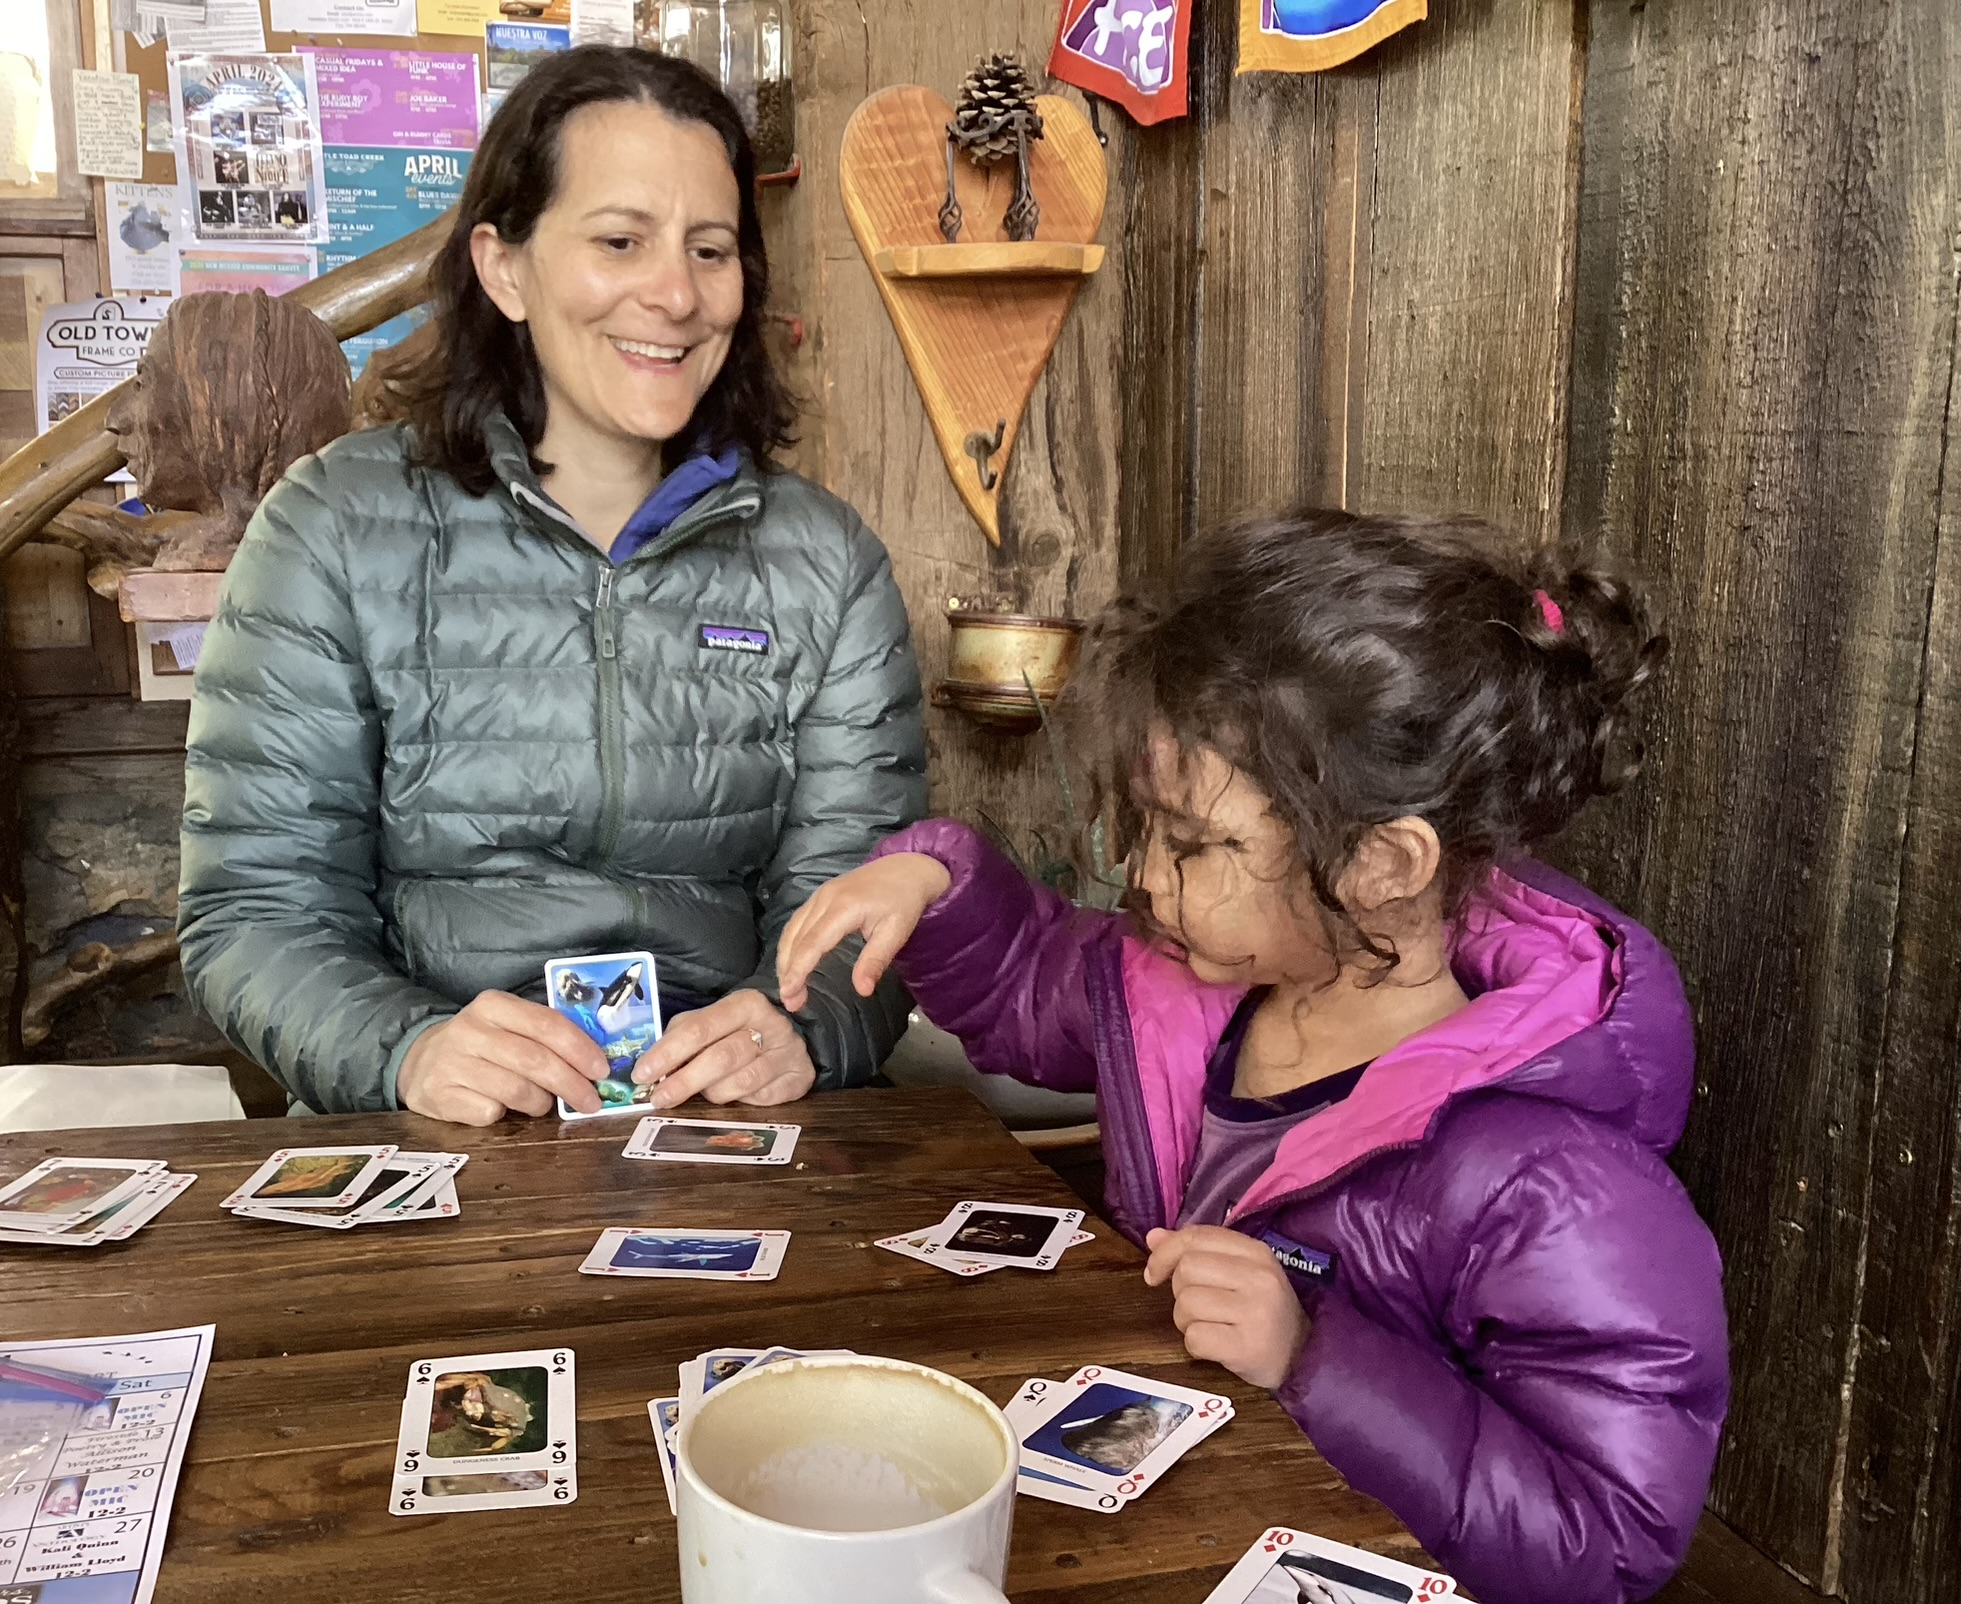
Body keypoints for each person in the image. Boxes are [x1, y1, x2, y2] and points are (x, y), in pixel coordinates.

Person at [777, 510, 1729, 1604]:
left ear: (1380, 863)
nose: (1142, 874)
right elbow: (1030, 981)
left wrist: (1312, 1350)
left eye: (1190, 842)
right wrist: (936, 885)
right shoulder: (1191, 985)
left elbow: (1606, 1534)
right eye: (1142, 826)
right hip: (1171, 1531)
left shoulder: (1556, 1186)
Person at [179, 47, 925, 1122]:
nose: (673, 294)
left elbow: (862, 903)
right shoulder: (336, 525)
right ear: (504, 266)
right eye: (619, 241)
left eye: (709, 250)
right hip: (432, 1125)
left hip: (728, 1126)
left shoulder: (822, 560)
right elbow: (254, 907)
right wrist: (407, 1049)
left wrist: (797, 1027)